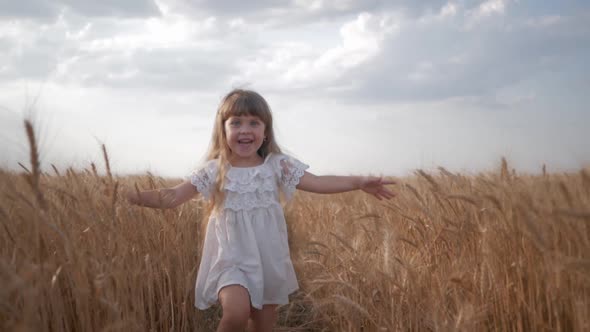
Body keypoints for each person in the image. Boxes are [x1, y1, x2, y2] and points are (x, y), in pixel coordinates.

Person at [125, 89, 395, 332]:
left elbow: (318, 182)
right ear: (223, 131)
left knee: (263, 325)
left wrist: (358, 182)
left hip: (269, 259)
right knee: (236, 313)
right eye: (236, 122)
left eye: (254, 122)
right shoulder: (214, 171)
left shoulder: (277, 166)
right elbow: (173, 196)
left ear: (265, 132)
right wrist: (127, 196)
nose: (245, 129)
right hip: (230, 259)